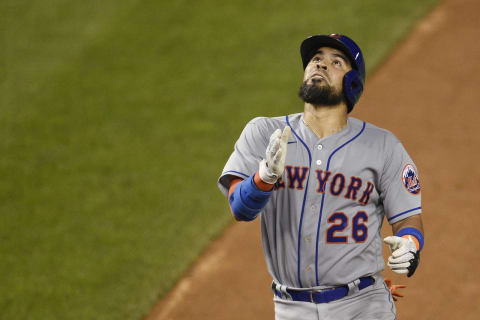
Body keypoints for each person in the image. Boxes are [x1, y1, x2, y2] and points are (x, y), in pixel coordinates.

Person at [217, 34, 424, 319]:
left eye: (335, 62)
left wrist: (411, 241)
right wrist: (263, 177)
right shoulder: (266, 133)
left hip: (363, 305)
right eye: (316, 59)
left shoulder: (383, 146)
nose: (321, 65)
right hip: (291, 308)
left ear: (352, 84)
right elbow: (240, 208)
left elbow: (407, 217)